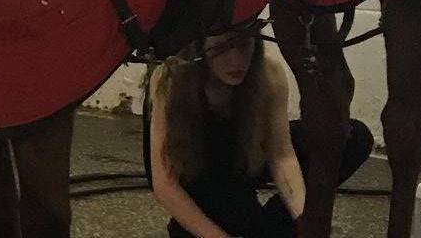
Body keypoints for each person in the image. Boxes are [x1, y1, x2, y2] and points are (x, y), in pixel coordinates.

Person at [148, 24, 374, 238]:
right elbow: (165, 184)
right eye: (221, 49)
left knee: (351, 136)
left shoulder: (268, 72)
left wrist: (306, 220)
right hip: (201, 170)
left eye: (246, 45)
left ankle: (271, 224)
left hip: (246, 157)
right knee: (230, 207)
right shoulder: (171, 78)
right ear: (200, 48)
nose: (237, 60)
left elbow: (281, 155)